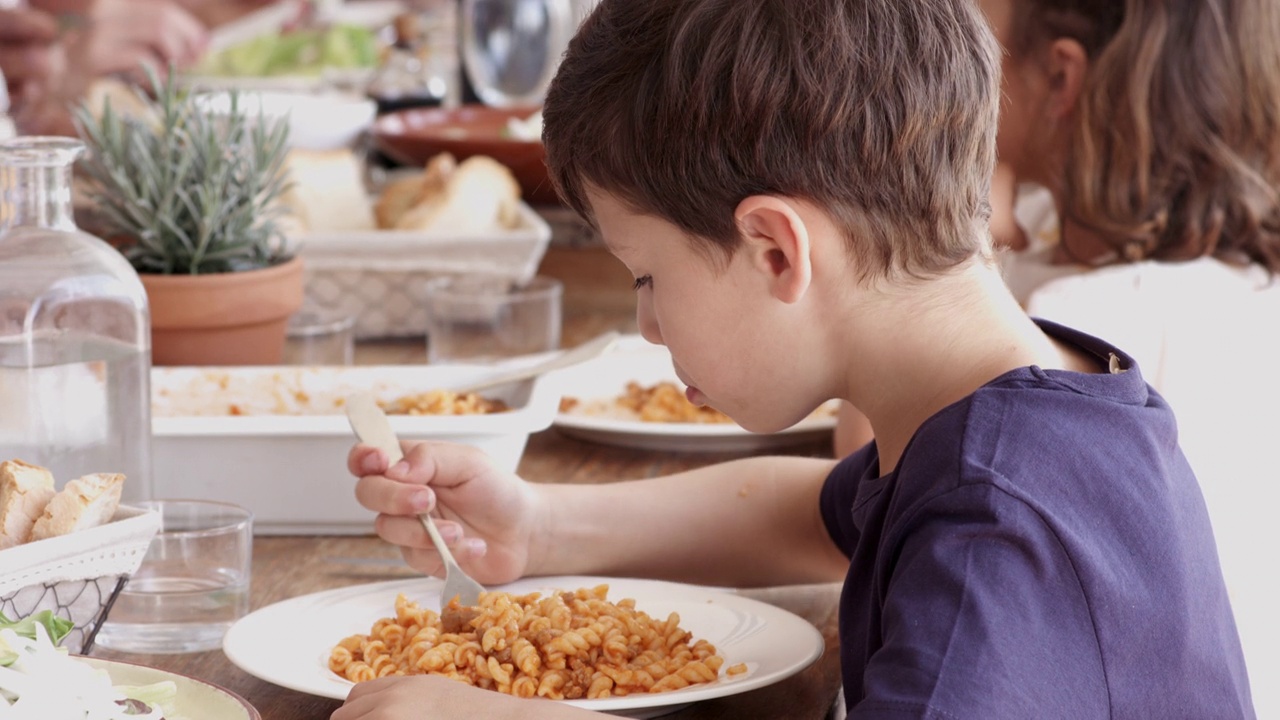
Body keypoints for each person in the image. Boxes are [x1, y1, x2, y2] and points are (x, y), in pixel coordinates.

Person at [334, 0, 1254, 718]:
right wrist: (538, 525)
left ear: (777, 250)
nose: (648, 326)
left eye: (647, 277)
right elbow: (814, 515)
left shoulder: (996, 538)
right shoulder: (1012, 414)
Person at [834, 1, 1280, 711]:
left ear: (1060, 79)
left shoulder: (1082, 326)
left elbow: (878, 474)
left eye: (982, 39)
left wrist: (932, 200)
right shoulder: (1245, 280)